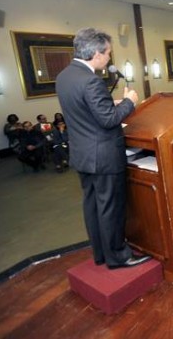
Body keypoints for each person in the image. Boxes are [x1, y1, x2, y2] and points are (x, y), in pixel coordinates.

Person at [55, 27, 150, 269]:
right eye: (108, 53)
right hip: (104, 157)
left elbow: (85, 109)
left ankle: (101, 253)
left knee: (93, 206)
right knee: (111, 208)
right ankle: (119, 256)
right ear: (96, 53)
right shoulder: (91, 81)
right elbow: (108, 120)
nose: (109, 58)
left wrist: (110, 102)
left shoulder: (65, 76)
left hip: (83, 155)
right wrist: (129, 101)